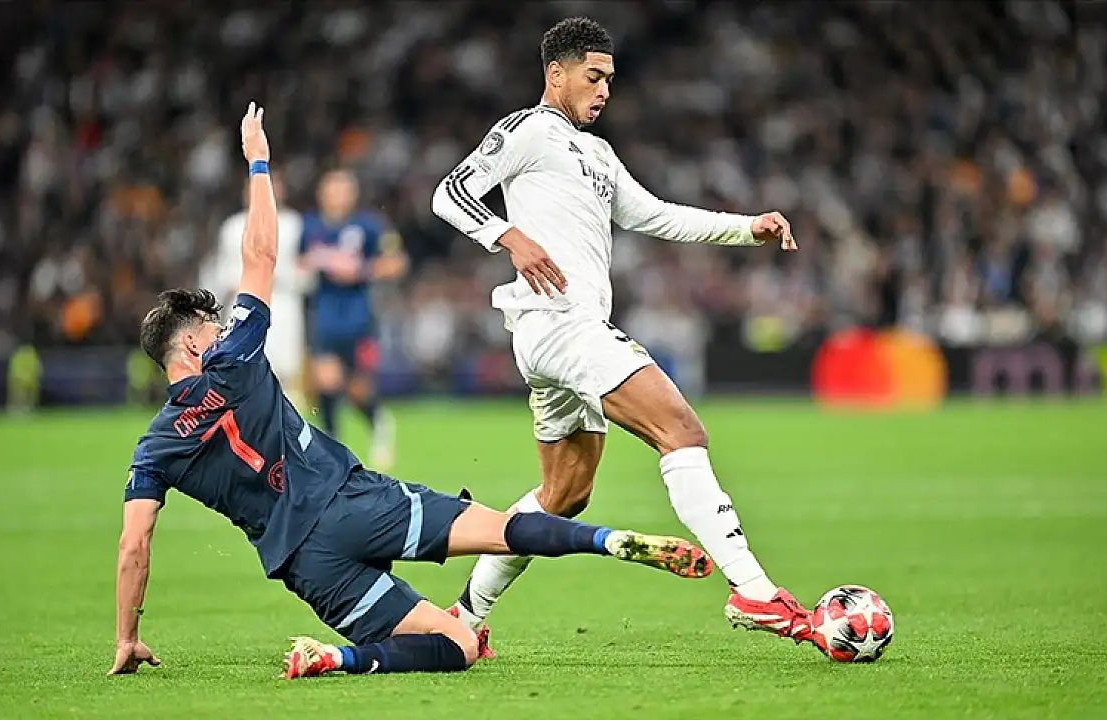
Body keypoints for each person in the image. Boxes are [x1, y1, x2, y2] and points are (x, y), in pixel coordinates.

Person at [110, 103, 713, 680]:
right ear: (193, 346)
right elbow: (262, 254)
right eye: (210, 329)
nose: (220, 332)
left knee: (458, 647)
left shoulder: (154, 449)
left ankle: (336, 659)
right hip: (355, 501)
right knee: (503, 530)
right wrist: (259, 162)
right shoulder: (234, 360)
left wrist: (126, 636)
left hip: (306, 562)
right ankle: (605, 541)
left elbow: (135, 543)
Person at [430, 17, 812, 658]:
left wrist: (747, 228)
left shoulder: (598, 155)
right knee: (681, 430)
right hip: (562, 326)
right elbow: (451, 192)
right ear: (556, 73)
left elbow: (655, 215)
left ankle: (466, 615)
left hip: (558, 335)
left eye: (610, 79)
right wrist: (509, 237)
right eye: (594, 76)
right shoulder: (528, 131)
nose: (605, 90)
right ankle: (753, 589)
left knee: (564, 495)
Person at [299, 169, 405, 469]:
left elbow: (397, 263)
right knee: (326, 381)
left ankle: (379, 423)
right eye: (332, 189)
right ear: (322, 193)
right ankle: (332, 451)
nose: (338, 196)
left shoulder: (369, 226)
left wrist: (361, 269)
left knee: (358, 388)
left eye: (344, 189)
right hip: (324, 315)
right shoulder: (310, 227)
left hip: (359, 317)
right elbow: (297, 263)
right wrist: (313, 264)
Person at [200, 173, 310, 405]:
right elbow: (222, 271)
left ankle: (286, 421)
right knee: (242, 368)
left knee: (285, 370)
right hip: (243, 302)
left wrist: (287, 278)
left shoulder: (294, 225)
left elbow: (306, 268)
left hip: (283, 302)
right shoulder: (233, 226)